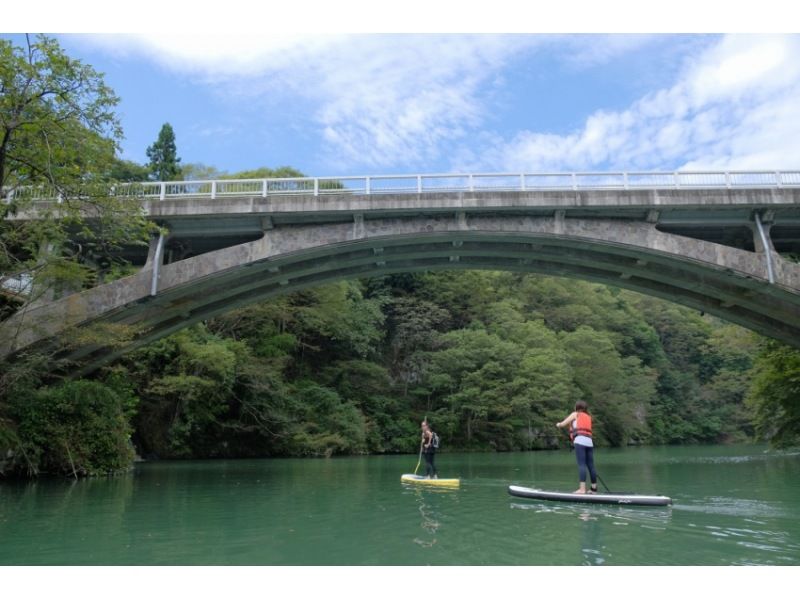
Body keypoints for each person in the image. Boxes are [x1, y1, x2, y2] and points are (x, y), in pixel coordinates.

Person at [556, 400, 598, 494]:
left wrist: (558, 424)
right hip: (589, 442)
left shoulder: (575, 414)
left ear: (577, 407)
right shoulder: (588, 417)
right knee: (591, 465)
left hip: (580, 441)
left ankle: (582, 489)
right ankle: (593, 489)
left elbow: (562, 424)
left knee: (581, 465)